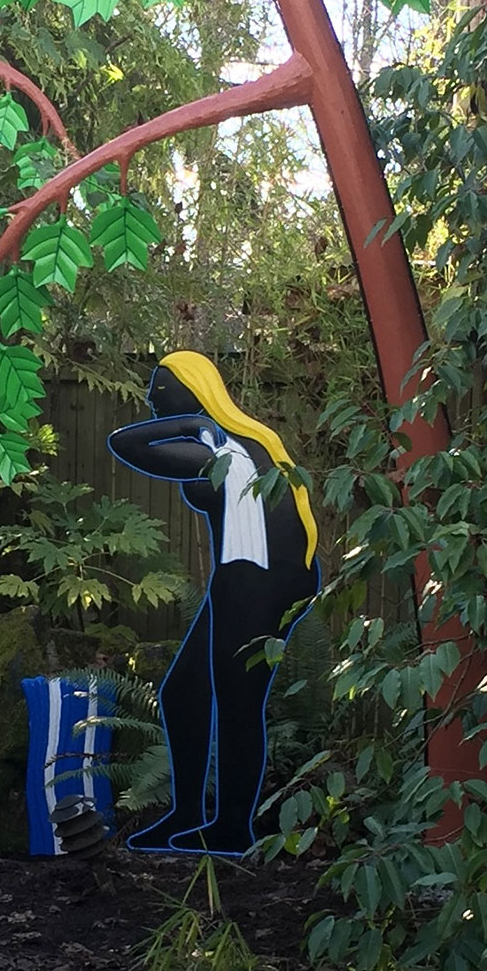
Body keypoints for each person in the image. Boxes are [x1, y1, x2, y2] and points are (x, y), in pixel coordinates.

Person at [107, 351, 320, 855]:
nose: (149, 397)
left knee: (239, 702)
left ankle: (229, 829)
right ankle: (187, 813)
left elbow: (125, 443)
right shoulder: (243, 442)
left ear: (191, 389)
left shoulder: (219, 449)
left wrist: (192, 420)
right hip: (257, 575)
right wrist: (196, 420)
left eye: (159, 387)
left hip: (255, 578)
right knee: (184, 693)